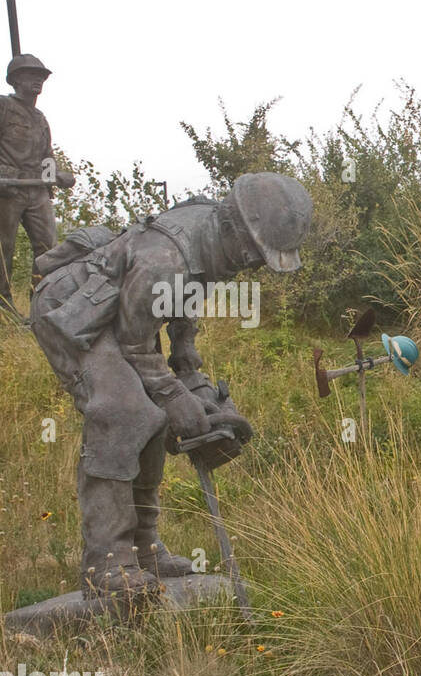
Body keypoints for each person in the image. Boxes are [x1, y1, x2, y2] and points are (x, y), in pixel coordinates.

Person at [30, 172, 311, 598]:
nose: (253, 264)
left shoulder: (217, 240)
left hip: (121, 315)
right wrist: (176, 398)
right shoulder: (167, 260)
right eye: (254, 253)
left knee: (157, 417)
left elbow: (182, 316)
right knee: (123, 411)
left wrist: (195, 386)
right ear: (234, 227)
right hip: (71, 312)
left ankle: (145, 548)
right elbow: (136, 346)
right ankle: (106, 563)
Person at [0, 54, 75, 319]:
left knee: (49, 249)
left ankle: (41, 304)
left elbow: (46, 157)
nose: (37, 81)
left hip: (36, 190)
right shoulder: (4, 107)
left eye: (41, 77)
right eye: (31, 76)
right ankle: (4, 306)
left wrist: (58, 175)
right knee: (3, 248)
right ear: (15, 80)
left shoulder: (40, 118)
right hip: (8, 189)